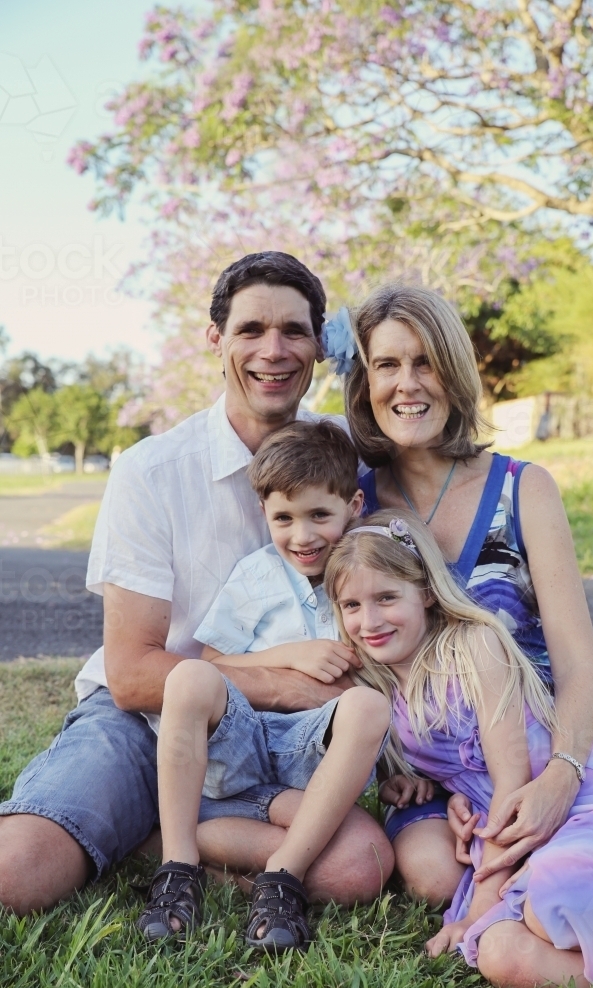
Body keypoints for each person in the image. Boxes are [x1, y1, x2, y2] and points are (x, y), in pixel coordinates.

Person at [0, 252, 394, 914]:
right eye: (250, 330)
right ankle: (146, 812)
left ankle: (160, 836)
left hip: (287, 744)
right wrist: (282, 683)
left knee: (355, 869)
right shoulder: (152, 471)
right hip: (149, 721)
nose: (274, 350)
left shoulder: (346, 455)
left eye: (295, 331)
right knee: (18, 872)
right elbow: (130, 673)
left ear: (319, 345)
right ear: (215, 339)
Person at [341, 283, 593, 905]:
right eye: (387, 365)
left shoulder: (524, 489)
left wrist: (560, 781)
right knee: (436, 877)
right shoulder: (353, 507)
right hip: (438, 770)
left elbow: (579, 664)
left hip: (549, 745)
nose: (407, 383)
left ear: (456, 374)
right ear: (364, 385)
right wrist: (411, 777)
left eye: (426, 361)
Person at [324, 509, 593, 988]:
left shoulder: (474, 647)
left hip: (568, 805)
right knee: (500, 954)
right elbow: (454, 768)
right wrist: (439, 787)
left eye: (386, 597)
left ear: (424, 591)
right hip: (504, 828)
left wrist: (478, 910)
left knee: (549, 908)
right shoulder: (378, 684)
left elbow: (511, 781)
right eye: (351, 605)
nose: (370, 620)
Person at [137, 418, 378, 944]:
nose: (303, 535)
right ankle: (178, 866)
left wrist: (407, 765)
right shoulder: (256, 575)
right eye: (284, 518)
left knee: (368, 707)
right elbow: (216, 660)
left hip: (310, 758)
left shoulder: (368, 578)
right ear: (264, 514)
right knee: (191, 678)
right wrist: (291, 655)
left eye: (320, 514)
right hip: (247, 741)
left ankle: (280, 877)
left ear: (354, 507)